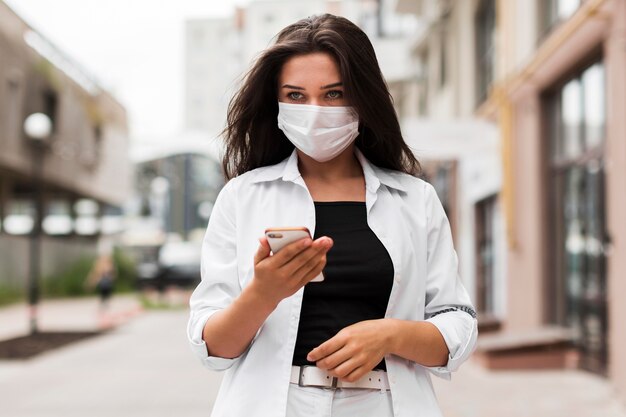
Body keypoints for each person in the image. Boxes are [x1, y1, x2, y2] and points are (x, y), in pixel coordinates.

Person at [187, 14, 477, 417]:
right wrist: (264, 293)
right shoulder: (242, 197)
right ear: (276, 103)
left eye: (334, 94)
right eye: (296, 96)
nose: (315, 111)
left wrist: (391, 334)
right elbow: (212, 349)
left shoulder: (415, 199)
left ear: (363, 97)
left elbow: (457, 325)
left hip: (386, 405)